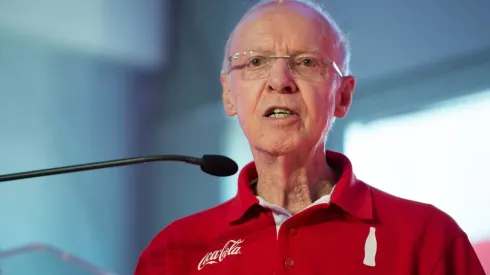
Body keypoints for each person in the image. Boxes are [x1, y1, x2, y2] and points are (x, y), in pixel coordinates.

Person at [135, 0, 486, 274]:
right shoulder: (173, 253)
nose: (280, 80)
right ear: (229, 94)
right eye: (255, 62)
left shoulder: (427, 239)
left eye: (305, 62)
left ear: (343, 96)